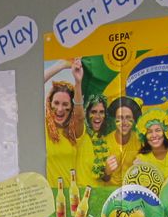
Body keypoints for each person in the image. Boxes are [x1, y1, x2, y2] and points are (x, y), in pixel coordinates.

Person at [43, 59, 94, 188]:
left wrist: (78, 82)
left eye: (65, 104)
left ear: (71, 107)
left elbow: (79, 117)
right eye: (56, 103)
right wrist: (60, 65)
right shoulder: (42, 128)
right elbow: (31, 89)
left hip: (72, 196)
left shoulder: (74, 131)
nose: (60, 109)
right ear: (50, 103)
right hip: (48, 197)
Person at [100, 96, 143, 186]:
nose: (124, 122)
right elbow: (101, 178)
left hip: (131, 190)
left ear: (134, 120)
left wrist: (142, 167)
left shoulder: (139, 141)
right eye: (120, 118)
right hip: (110, 192)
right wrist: (107, 172)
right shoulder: (104, 143)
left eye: (128, 118)